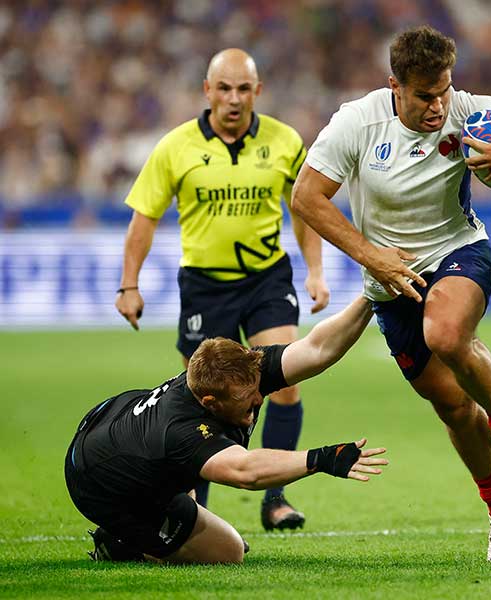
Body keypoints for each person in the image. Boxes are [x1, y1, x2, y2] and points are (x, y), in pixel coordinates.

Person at [291, 26, 491, 561]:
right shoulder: (357, 121)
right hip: (389, 277)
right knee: (452, 408)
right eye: (425, 94)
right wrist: (369, 255)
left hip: (459, 249)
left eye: (444, 89)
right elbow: (306, 197)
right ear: (395, 86)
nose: (437, 104)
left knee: (447, 334)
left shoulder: (467, 110)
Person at [114, 48, 331, 530]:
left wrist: (315, 270)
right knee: (200, 397)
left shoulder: (284, 141)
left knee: (285, 382)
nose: (234, 98)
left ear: (258, 91)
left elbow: (305, 209)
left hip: (266, 279)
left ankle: (275, 498)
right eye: (224, 88)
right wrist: (129, 283)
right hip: (205, 286)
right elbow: (144, 218)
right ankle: (199, 512)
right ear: (207, 90)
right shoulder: (175, 146)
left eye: (243, 89)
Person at [66, 297, 385, 565]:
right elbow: (246, 472)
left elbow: (318, 349)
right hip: (100, 481)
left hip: (119, 426)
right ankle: (117, 541)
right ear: (210, 402)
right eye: (247, 400)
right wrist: (323, 458)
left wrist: (371, 295)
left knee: (182, 482)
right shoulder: (183, 431)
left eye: (258, 389)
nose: (260, 399)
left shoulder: (245, 372)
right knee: (229, 551)